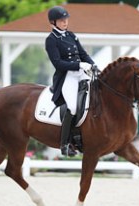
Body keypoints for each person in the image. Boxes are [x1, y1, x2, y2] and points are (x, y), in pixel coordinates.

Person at [45, 5, 95, 156]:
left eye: (66, 19)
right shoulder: (51, 40)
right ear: (53, 22)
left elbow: (83, 53)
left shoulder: (71, 35)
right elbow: (58, 63)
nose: (65, 22)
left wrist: (93, 65)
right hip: (67, 76)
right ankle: (65, 143)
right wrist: (79, 64)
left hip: (81, 73)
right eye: (61, 20)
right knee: (72, 107)